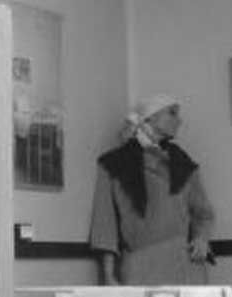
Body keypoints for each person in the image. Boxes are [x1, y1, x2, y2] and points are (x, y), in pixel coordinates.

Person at [87, 94, 215, 285]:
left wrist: (201, 238)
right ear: (150, 118)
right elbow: (105, 224)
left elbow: (203, 214)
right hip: (140, 267)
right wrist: (108, 275)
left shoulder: (182, 163)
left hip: (185, 267)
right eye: (172, 113)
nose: (179, 120)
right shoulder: (115, 164)